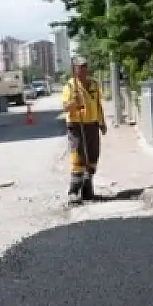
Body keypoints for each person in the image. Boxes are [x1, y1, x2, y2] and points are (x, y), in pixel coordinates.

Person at [61, 57, 106, 203]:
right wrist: (73, 102)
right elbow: (65, 107)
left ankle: (87, 189)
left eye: (85, 66)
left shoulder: (93, 84)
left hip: (92, 124)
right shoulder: (70, 86)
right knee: (78, 157)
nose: (83, 69)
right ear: (74, 69)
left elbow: (98, 104)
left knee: (93, 156)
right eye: (80, 67)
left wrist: (102, 122)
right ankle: (73, 192)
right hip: (76, 125)